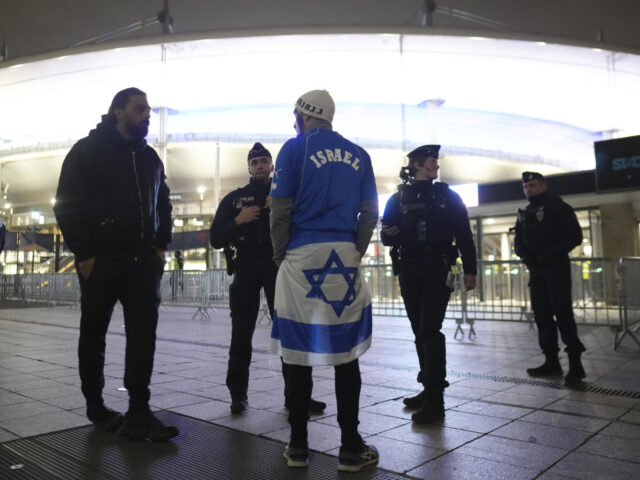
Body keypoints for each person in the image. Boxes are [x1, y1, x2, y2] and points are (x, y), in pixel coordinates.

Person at [54, 87, 178, 441]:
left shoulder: (151, 159)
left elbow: (164, 204)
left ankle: (139, 410)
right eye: (140, 109)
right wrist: (85, 253)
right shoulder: (88, 151)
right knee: (93, 335)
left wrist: (160, 247)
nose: (147, 115)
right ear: (118, 111)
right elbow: (66, 203)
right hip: (102, 262)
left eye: (149, 110)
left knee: (143, 336)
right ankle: (96, 407)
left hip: (142, 264)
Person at [270, 90, 379, 472]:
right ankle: (350, 445)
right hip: (344, 258)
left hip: (302, 258)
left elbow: (280, 210)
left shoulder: (294, 149)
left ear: (303, 115)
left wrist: (282, 255)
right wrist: (355, 250)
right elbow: (370, 213)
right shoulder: (360, 155)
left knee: (297, 355)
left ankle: (298, 445)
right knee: (346, 355)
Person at [210, 142, 326, 415]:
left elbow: (307, 226)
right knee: (241, 334)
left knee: (290, 332)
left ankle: (298, 396)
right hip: (246, 267)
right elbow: (215, 238)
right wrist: (239, 220)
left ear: (272, 166)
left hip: (279, 267)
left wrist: (284, 209)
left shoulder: (286, 194)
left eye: (264, 161)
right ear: (249, 168)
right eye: (255, 162)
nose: (260, 166)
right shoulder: (235, 200)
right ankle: (238, 395)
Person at [381, 145, 477, 424]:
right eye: (432, 161)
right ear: (417, 165)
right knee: (417, 328)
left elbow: (464, 236)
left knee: (430, 329)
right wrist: (388, 234)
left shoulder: (447, 196)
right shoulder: (398, 198)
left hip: (438, 267)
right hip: (409, 267)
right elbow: (387, 236)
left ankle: (436, 400)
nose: (436, 165)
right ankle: (427, 388)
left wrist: (470, 270)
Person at [514, 171, 586, 383]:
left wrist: (548, 255)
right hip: (536, 269)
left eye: (533, 185)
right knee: (542, 315)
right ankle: (551, 362)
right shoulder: (525, 213)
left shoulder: (558, 207)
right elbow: (518, 241)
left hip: (556, 267)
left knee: (562, 314)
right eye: (526, 187)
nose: (529, 190)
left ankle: (575, 364)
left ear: (543, 186)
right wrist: (526, 256)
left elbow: (575, 236)